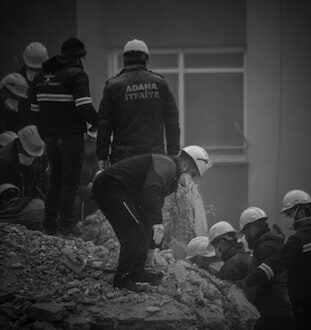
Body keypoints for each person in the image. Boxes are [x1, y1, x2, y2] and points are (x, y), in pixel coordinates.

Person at [92, 145, 212, 290]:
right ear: (185, 163)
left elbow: (151, 206)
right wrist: (157, 223)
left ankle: (137, 272)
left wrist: (151, 247)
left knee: (145, 229)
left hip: (124, 191)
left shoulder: (172, 177)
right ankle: (122, 280)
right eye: (192, 174)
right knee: (134, 233)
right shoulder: (167, 166)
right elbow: (151, 190)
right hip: (110, 187)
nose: (191, 180)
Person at [30, 37, 98, 237]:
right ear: (78, 57)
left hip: (51, 137)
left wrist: (45, 133)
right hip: (71, 137)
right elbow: (84, 106)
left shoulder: (41, 76)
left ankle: (49, 226)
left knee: (55, 182)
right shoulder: (77, 75)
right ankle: (65, 227)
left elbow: (35, 110)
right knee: (70, 183)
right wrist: (97, 122)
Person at [243, 190, 311, 330]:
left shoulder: (298, 241)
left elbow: (273, 266)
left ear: (300, 213)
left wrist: (246, 281)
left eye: (289, 214)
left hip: (307, 309)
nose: (286, 218)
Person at [97, 38, 180, 170]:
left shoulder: (113, 86)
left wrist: (102, 156)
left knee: (125, 191)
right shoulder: (160, 84)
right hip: (154, 158)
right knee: (153, 190)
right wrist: (173, 153)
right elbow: (172, 121)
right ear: (146, 60)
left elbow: (104, 124)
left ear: (124, 60)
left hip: (122, 159)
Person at [239, 207, 294, 330]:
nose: (246, 238)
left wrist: (252, 304)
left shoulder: (264, 248)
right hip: (283, 307)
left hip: (275, 309)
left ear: (252, 228)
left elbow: (264, 279)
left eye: (246, 233)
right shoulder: (273, 244)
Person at [0, 125, 46, 230]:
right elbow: (6, 195)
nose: (31, 158)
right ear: (19, 144)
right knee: (39, 210)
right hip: (8, 207)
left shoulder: (37, 158)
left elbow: (39, 184)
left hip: (25, 202)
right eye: (28, 154)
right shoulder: (4, 160)